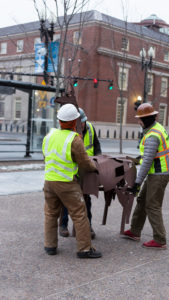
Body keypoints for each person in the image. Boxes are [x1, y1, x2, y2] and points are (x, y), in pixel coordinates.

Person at [42, 103, 102, 258]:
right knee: (79, 213)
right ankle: (84, 249)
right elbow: (84, 162)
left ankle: (50, 246)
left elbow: (46, 158)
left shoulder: (49, 136)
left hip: (49, 181)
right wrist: (95, 167)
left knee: (50, 213)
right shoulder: (74, 140)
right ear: (75, 121)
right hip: (67, 183)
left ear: (59, 120)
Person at [124, 103, 169, 249]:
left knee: (152, 205)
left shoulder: (152, 135)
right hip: (159, 171)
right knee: (142, 200)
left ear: (145, 120)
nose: (138, 121)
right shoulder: (155, 128)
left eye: (139, 119)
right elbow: (150, 155)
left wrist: (137, 183)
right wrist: (137, 159)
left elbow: (147, 162)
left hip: (160, 173)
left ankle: (160, 239)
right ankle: (135, 231)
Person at [59, 107, 102, 239]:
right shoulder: (67, 132)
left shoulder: (90, 129)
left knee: (86, 200)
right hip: (71, 170)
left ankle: (88, 226)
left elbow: (97, 147)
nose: (82, 125)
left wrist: (97, 161)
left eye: (83, 122)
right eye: (79, 122)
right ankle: (63, 225)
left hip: (87, 170)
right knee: (67, 199)